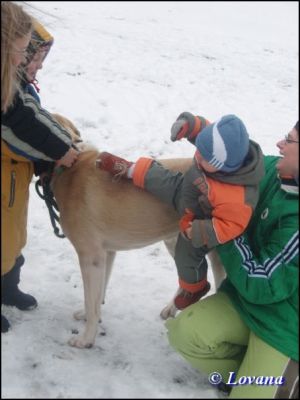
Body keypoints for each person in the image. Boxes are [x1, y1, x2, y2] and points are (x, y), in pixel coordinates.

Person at [164, 121, 299, 398]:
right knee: (184, 334)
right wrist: (196, 131)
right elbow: (232, 158)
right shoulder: (275, 172)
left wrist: (222, 230)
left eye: (289, 139)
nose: (279, 143)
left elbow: (262, 282)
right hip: (246, 304)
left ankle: (280, 379)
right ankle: (247, 377)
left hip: (287, 327)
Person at [96, 112, 265, 310]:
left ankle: (194, 287)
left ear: (223, 168)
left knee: (186, 255)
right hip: (187, 189)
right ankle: (130, 169)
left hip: (201, 218)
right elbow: (205, 132)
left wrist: (201, 230)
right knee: (160, 177)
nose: (198, 155)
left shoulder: (236, 198)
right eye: (199, 150)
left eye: (205, 157)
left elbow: (232, 225)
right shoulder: (216, 149)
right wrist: (190, 125)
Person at [1, 1, 79, 333]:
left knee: (12, 238)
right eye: (21, 52)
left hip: (11, 184)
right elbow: (22, 121)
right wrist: (63, 150)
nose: (23, 61)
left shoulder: (11, 81)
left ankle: (7, 288)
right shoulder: (8, 96)